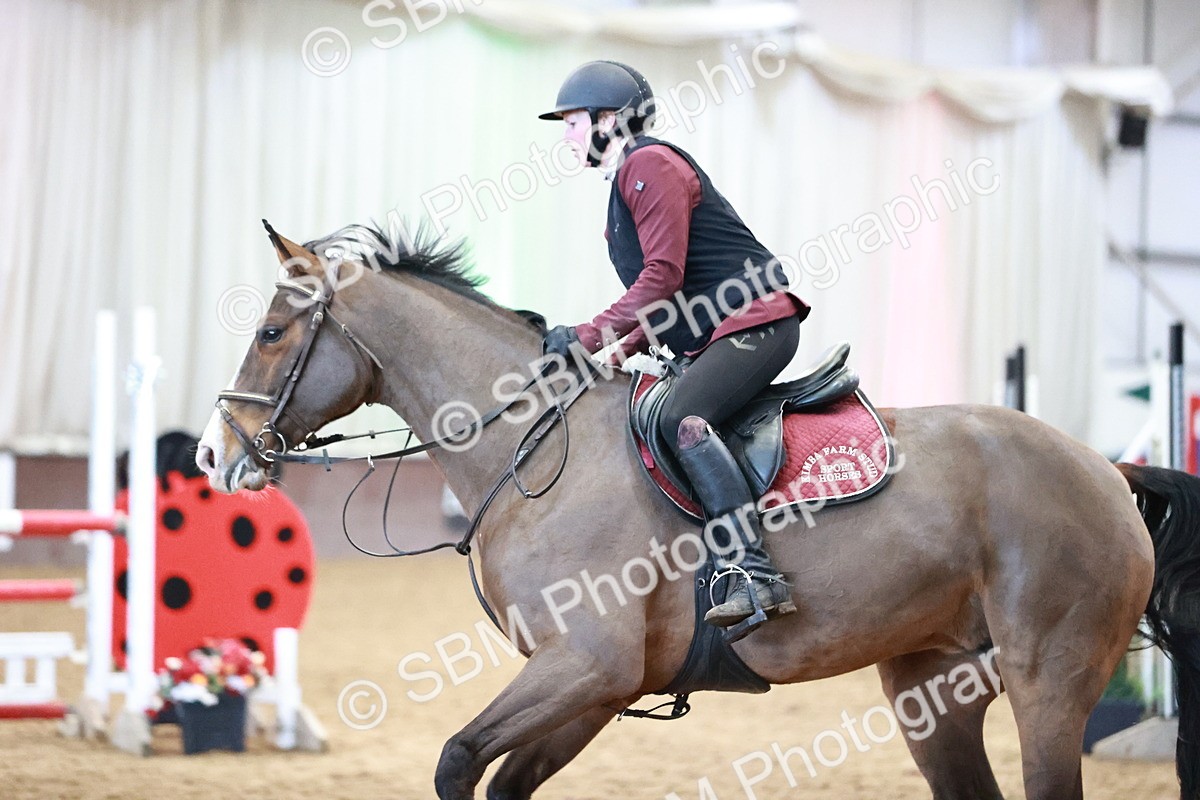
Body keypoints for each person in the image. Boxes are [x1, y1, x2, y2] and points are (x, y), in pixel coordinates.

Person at [538, 60, 811, 639]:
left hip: (755, 321)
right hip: (719, 328)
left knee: (681, 417)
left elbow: (662, 277)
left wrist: (589, 335)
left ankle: (753, 570)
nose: (566, 136)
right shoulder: (627, 181)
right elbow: (666, 300)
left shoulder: (649, 164)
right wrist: (613, 350)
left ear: (610, 119)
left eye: (572, 122)